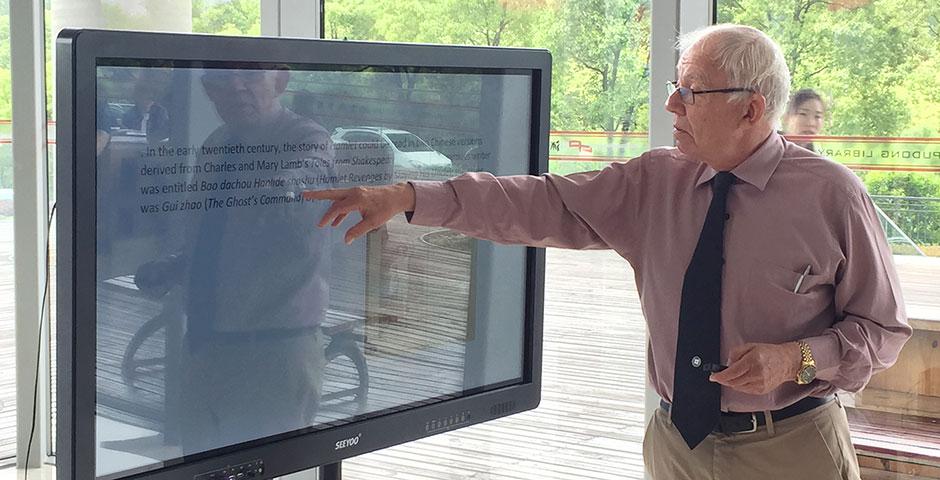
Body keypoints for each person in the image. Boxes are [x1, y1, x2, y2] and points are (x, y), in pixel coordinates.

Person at [304, 24, 912, 479]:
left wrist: (797, 360)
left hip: (792, 448)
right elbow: (539, 203)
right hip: (678, 446)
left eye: (691, 92)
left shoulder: (832, 195)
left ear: (752, 107)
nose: (671, 105)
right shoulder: (654, 182)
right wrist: (410, 196)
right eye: (676, 87)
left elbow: (882, 329)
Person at [135, 64, 336, 456]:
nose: (237, 87)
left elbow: (310, 174)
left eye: (250, 76)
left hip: (274, 354)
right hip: (206, 348)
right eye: (222, 80)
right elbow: (215, 233)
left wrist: (276, 187)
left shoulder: (307, 138)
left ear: (280, 81)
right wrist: (176, 265)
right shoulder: (215, 146)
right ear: (210, 92)